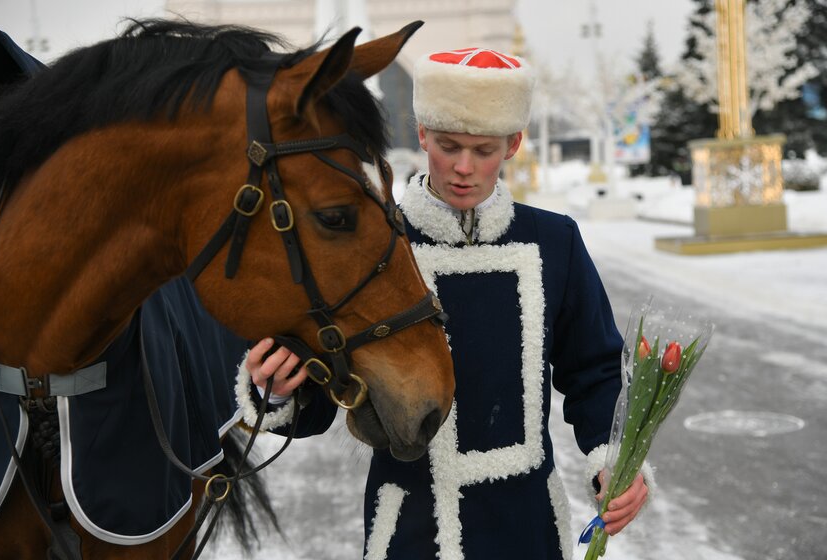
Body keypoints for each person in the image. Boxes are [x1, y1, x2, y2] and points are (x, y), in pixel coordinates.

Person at [241, 46, 652, 560]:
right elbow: (329, 387)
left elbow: (594, 369)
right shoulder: (374, 239)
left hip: (526, 527)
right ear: (422, 134)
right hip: (412, 529)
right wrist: (281, 391)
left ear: (514, 144)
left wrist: (612, 458)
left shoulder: (554, 241)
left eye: (483, 150)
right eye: (448, 144)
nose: (463, 167)